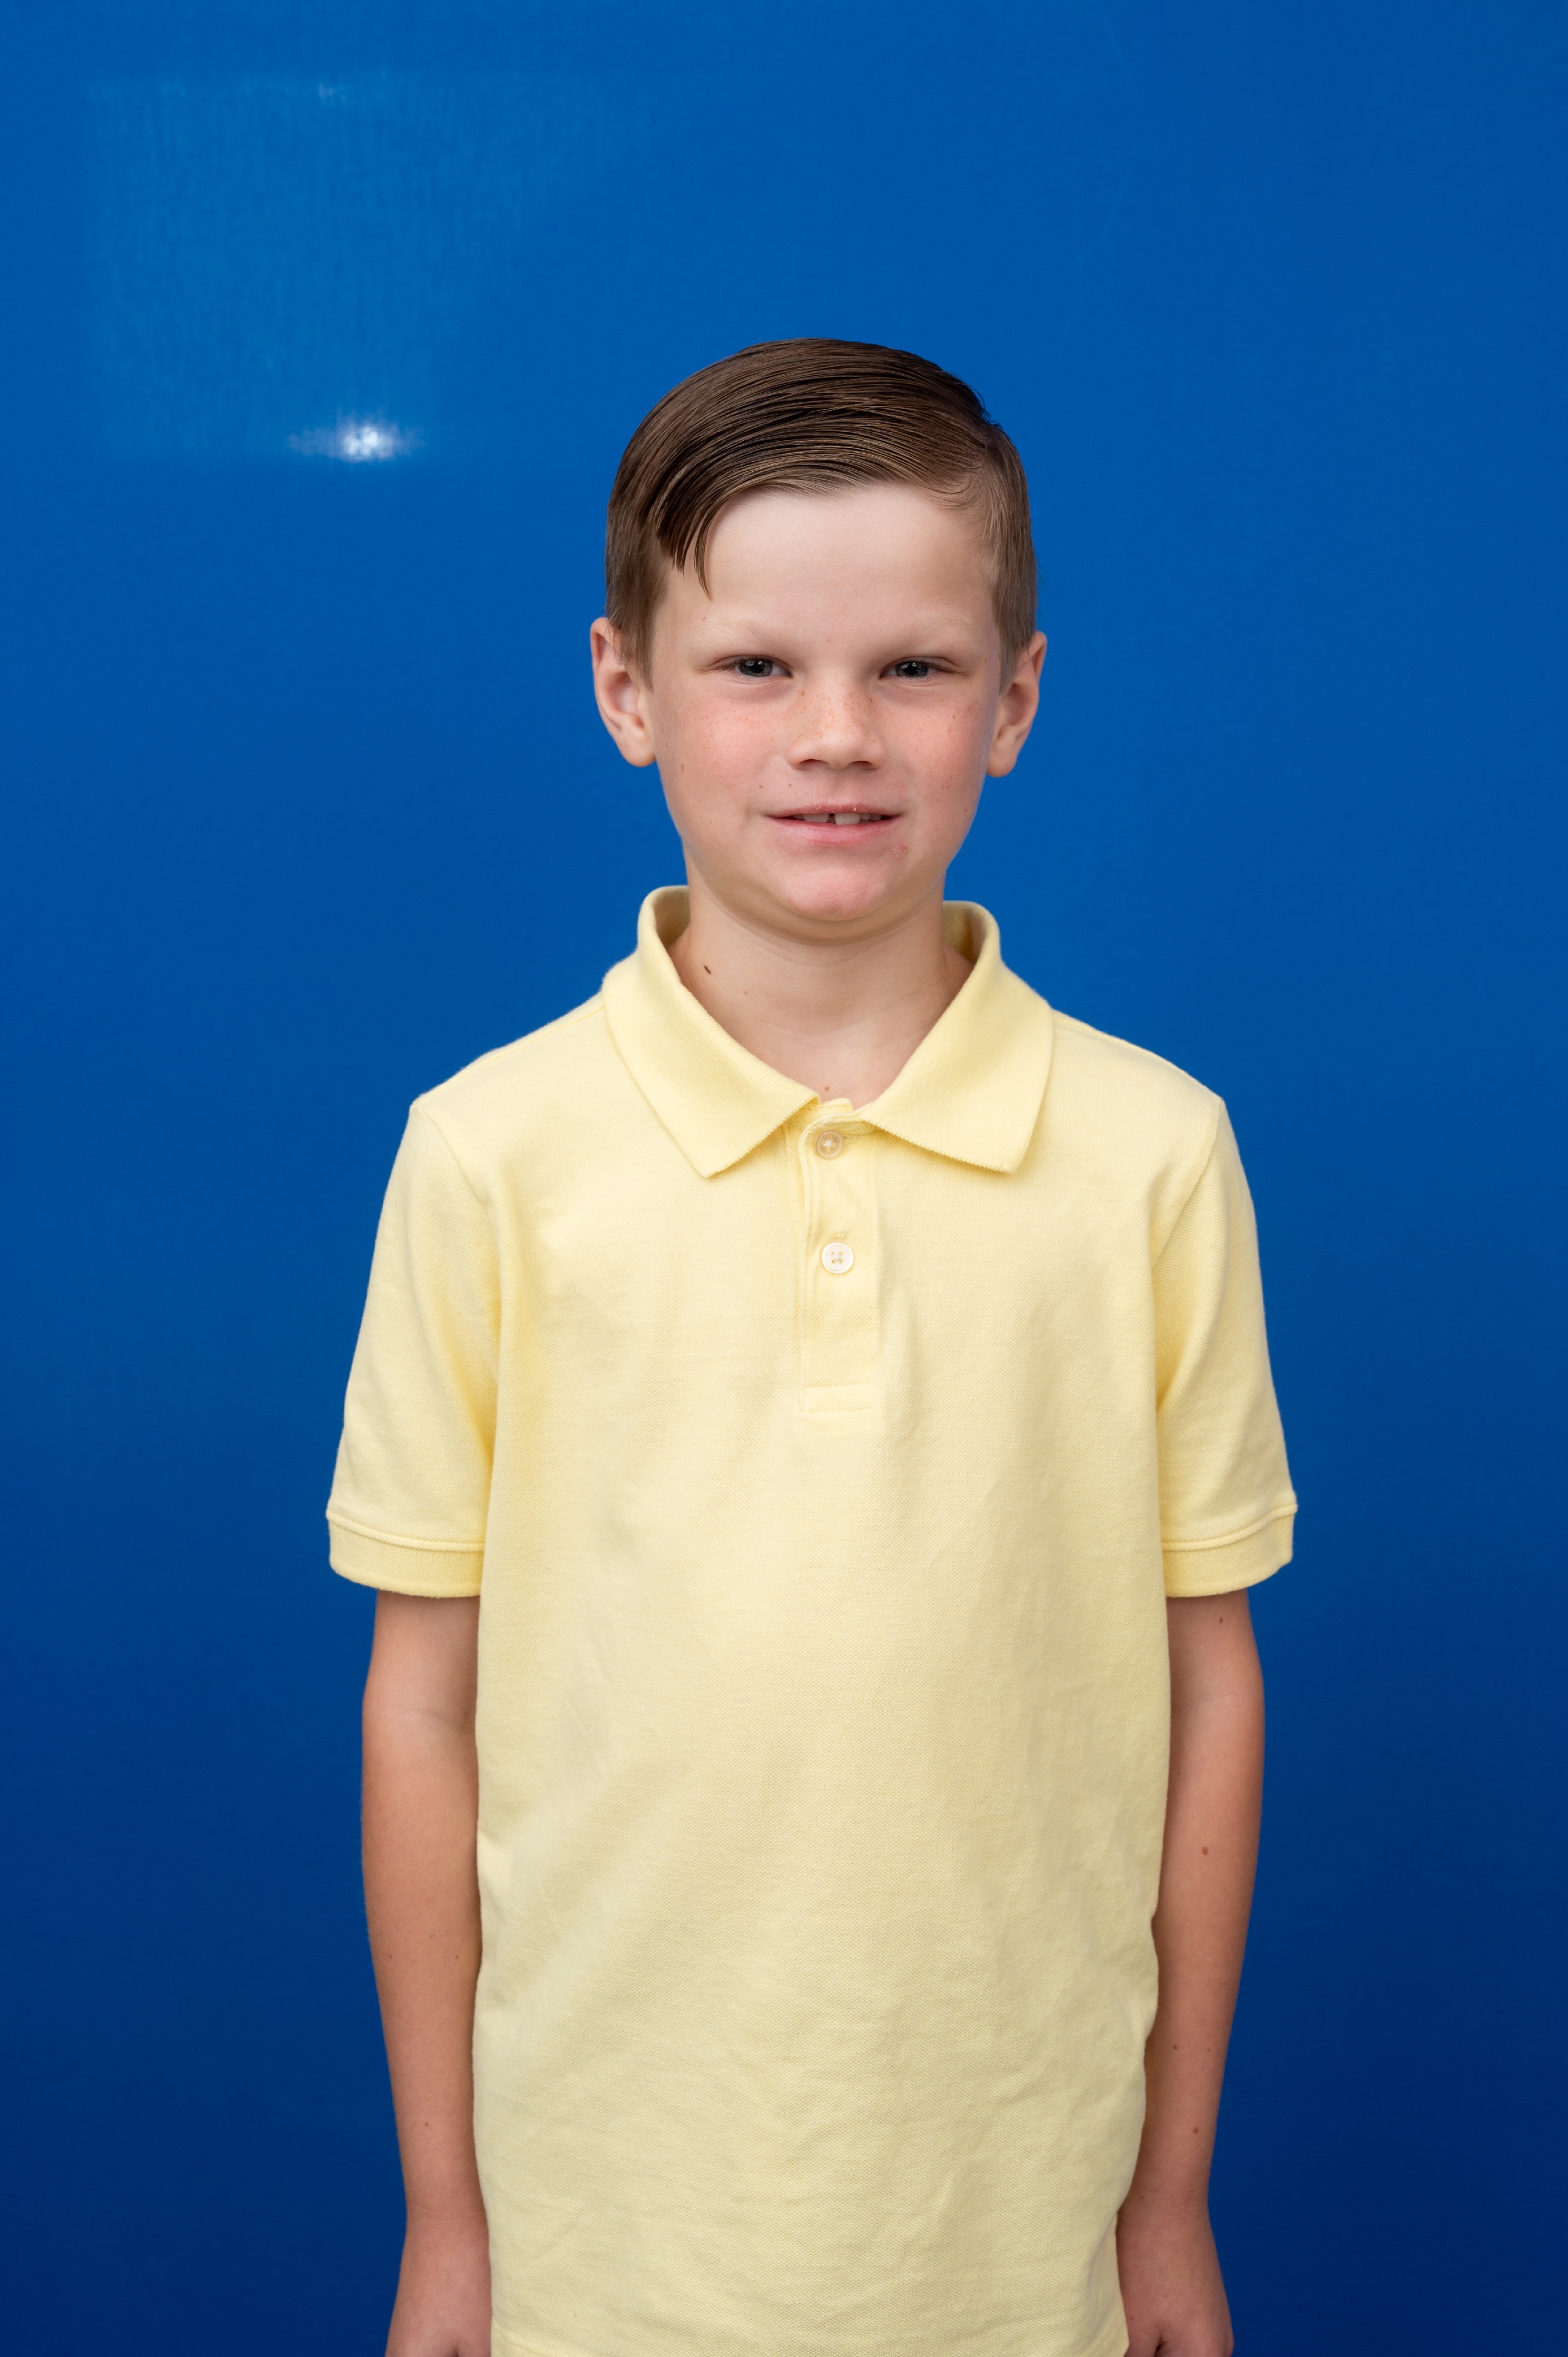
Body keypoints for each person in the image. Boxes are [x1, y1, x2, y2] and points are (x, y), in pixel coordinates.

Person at [327, 338, 1296, 2357]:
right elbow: (425, 1702)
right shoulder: (489, 1153)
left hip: (1017, 2230)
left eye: (914, 666)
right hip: (607, 2238)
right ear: (627, 689)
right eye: (756, 665)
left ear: (1014, 698)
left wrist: (1167, 2196)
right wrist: (447, 2213)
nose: (836, 734)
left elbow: (1208, 1681)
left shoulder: (1153, 1154)